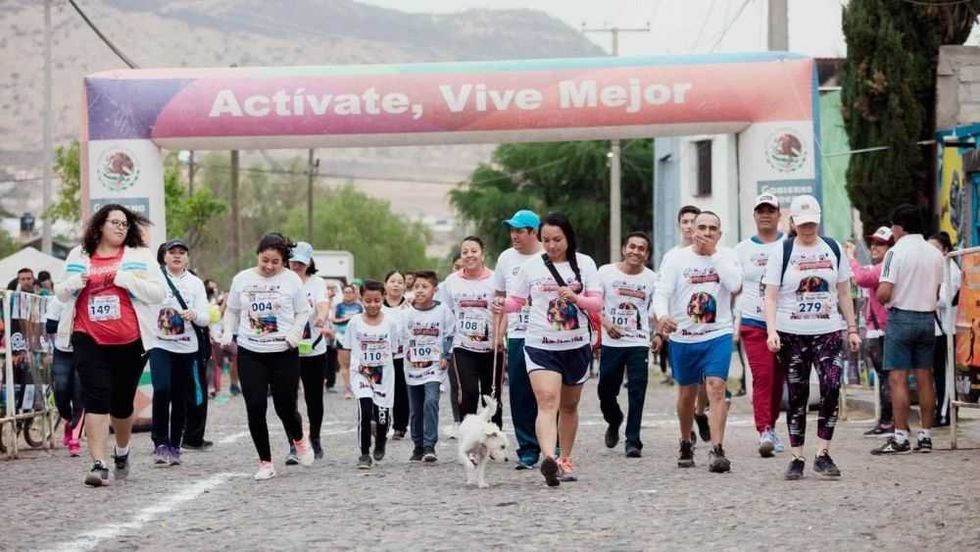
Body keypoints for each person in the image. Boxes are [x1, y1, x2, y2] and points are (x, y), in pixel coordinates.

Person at [55, 204, 166, 487]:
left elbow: (158, 293)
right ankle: (98, 463)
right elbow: (61, 291)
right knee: (96, 397)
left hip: (131, 339)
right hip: (87, 336)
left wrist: (126, 280)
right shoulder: (79, 254)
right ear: (100, 225)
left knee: (122, 403)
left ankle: (122, 450)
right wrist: (72, 283)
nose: (120, 227)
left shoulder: (140, 256)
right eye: (114, 222)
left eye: (125, 224)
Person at [500, 212, 602, 486]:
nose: (552, 245)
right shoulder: (532, 266)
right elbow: (517, 300)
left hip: (575, 345)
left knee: (569, 406)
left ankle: (565, 457)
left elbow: (597, 304)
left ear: (568, 238)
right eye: (546, 240)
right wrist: (501, 305)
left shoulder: (585, 264)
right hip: (540, 344)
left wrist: (576, 297)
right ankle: (548, 458)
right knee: (546, 402)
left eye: (557, 239)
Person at [763, 194, 860, 480]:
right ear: (793, 222)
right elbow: (769, 296)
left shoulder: (832, 248)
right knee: (797, 395)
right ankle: (797, 457)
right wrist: (771, 330)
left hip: (828, 330)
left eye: (812, 224)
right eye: (802, 224)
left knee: (831, 386)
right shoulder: (782, 251)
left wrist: (852, 328)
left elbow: (843, 292)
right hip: (792, 332)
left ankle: (823, 453)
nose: (807, 229)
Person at [222, 233, 314, 480]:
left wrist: (295, 334)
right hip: (251, 352)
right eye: (265, 260)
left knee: (285, 408)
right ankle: (265, 462)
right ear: (258, 255)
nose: (270, 266)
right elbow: (231, 310)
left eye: (276, 262)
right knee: (255, 406)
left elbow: (303, 312)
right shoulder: (242, 279)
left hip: (283, 352)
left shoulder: (292, 280)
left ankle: (299, 438)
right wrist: (227, 333)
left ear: (283, 261)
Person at [654, 211, 741, 473]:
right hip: (684, 336)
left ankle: (717, 449)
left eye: (712, 228)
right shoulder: (676, 258)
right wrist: (663, 316)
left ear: (719, 233)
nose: (706, 232)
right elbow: (662, 293)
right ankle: (684, 440)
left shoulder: (726, 256)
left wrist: (713, 254)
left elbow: (735, 284)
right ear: (692, 231)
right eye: (701, 227)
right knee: (686, 394)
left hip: (717, 334)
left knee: (716, 387)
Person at [871, 205, 945, 455]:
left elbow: (885, 291)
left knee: (897, 378)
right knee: (925, 377)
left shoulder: (895, 252)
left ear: (900, 227)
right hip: (927, 319)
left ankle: (901, 436)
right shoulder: (934, 253)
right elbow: (937, 292)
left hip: (901, 318)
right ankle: (925, 435)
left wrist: (881, 297)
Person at [597, 231, 659, 458]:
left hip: (638, 341)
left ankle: (633, 440)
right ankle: (614, 419)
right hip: (612, 341)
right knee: (605, 390)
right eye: (632, 246)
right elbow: (594, 305)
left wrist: (659, 334)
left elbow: (659, 309)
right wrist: (606, 324)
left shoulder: (652, 279)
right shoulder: (605, 272)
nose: (635, 251)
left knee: (637, 391)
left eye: (641, 248)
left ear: (647, 254)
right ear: (624, 249)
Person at [734, 193, 787, 457]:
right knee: (762, 376)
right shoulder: (742, 250)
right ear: (754, 215)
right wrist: (734, 323)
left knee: (779, 380)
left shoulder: (790, 245)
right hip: (754, 322)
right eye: (760, 210)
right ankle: (763, 430)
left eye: (770, 210)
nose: (765, 214)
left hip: (786, 322)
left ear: (779, 215)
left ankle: (773, 425)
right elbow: (734, 287)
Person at [149, 239, 210, 467]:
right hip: (160, 344)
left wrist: (193, 314)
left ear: (187, 258)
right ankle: (160, 442)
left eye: (181, 253)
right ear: (164, 256)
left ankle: (175, 444)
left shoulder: (195, 283)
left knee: (180, 397)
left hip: (187, 346)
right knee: (162, 389)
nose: (176, 256)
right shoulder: (155, 279)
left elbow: (205, 317)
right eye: (172, 252)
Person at [492, 209, 544, 469]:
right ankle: (527, 448)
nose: (514, 236)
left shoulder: (548, 256)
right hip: (518, 334)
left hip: (547, 335)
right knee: (520, 393)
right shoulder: (505, 258)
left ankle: (551, 443)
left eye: (519, 231)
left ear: (534, 232)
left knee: (547, 393)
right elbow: (500, 297)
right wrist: (499, 333)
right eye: (511, 230)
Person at [442, 236, 503, 429]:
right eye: (465, 252)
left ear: (483, 255)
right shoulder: (451, 282)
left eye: (474, 251)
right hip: (463, 346)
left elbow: (506, 309)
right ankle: (468, 435)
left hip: (492, 347)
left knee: (491, 394)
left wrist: (500, 337)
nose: (469, 255)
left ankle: (493, 434)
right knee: (467, 392)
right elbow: (446, 313)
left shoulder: (496, 280)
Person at [341, 279, 399, 469]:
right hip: (361, 373)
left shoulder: (390, 323)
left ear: (383, 298)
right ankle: (364, 453)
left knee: (382, 417)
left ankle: (381, 440)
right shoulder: (354, 323)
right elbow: (347, 349)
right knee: (365, 412)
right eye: (368, 301)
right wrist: (347, 378)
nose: (372, 305)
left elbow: (395, 348)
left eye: (376, 300)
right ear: (361, 299)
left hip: (383, 374)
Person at [284, 242, 333, 463]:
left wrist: (321, 317)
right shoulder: (281, 281)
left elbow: (322, 304)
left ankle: (314, 437)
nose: (297, 266)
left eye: (301, 262)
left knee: (314, 399)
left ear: (309, 262)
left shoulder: (317, 282)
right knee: (288, 399)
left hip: (313, 348)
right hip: (286, 349)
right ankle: (294, 443)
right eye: (293, 261)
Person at [846, 226, 895, 436]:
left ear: (890, 247)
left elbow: (860, 277)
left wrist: (850, 257)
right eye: (873, 242)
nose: (874, 246)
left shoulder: (884, 267)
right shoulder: (880, 266)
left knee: (887, 378)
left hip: (883, 330)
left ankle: (888, 422)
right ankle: (886, 420)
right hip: (877, 329)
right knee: (885, 378)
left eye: (881, 243)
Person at [402, 270, 454, 462]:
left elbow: (449, 333)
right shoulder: (407, 314)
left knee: (431, 402)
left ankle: (429, 446)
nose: (420, 291)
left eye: (425, 287)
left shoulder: (443, 311)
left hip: (434, 368)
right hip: (412, 367)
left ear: (435, 290)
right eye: (416, 287)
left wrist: (446, 355)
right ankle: (417, 446)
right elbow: (401, 337)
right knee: (415, 409)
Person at [45, 296, 83, 457]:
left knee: (80, 394)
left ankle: (75, 437)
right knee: (61, 390)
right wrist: (69, 322)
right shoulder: (59, 300)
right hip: (63, 351)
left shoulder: (88, 297)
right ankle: (68, 420)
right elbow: (50, 326)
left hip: (84, 350)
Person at [929, 232, 960, 427]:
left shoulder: (952, 271)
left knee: (946, 374)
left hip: (948, 330)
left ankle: (946, 413)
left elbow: (942, 300)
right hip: (936, 330)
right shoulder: (936, 270)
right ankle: (941, 411)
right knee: (938, 372)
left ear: (945, 250)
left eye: (935, 249)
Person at [382, 270, 411, 440]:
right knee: (382, 391)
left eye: (400, 282)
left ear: (404, 286)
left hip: (402, 356)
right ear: (386, 284)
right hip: (382, 356)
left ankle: (400, 426)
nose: (396, 285)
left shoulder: (409, 307)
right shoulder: (378, 305)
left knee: (401, 391)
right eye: (392, 281)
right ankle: (382, 423)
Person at [333, 283, 364, 400]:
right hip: (343, 337)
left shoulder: (359, 306)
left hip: (357, 338)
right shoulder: (339, 306)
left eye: (350, 292)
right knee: (345, 365)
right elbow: (334, 320)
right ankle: (347, 388)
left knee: (357, 364)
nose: (348, 294)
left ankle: (358, 386)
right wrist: (346, 319)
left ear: (354, 293)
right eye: (345, 292)